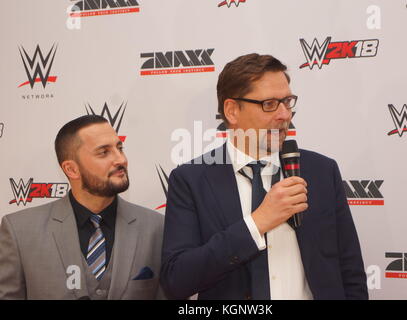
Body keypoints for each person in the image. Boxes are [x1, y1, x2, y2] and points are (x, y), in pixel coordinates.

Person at [161, 53, 368, 300]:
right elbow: (177, 280)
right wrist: (257, 223)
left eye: (287, 102)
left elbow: (350, 271)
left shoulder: (322, 171)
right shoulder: (191, 180)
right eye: (269, 104)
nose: (285, 115)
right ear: (232, 110)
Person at [0, 115, 165, 300]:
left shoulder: (157, 227)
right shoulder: (20, 231)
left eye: (120, 148)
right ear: (71, 169)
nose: (120, 159)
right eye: (103, 152)